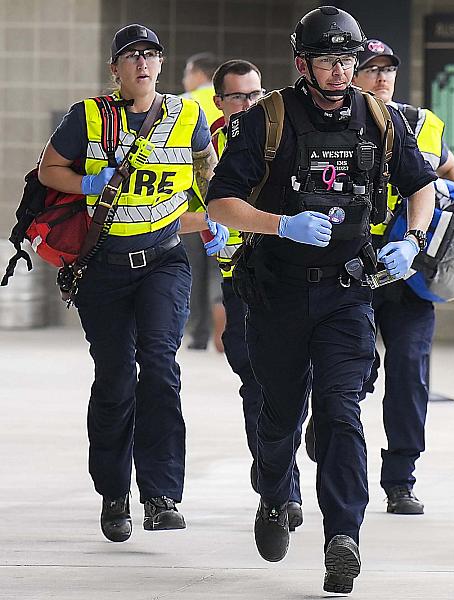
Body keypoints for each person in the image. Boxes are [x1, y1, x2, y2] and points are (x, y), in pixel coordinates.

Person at [206, 7, 436, 594]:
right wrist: (280, 225)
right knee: (280, 417)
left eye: (348, 61)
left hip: (347, 294)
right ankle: (275, 495)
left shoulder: (382, 119)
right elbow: (221, 203)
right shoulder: (267, 119)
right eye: (329, 61)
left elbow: (422, 186)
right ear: (302, 63)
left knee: (340, 412)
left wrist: (410, 239)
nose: (341, 73)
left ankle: (343, 537)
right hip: (279, 292)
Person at [37, 23, 223, 542]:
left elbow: (212, 175)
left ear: (161, 65)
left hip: (164, 261)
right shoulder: (88, 116)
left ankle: (162, 494)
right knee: (116, 379)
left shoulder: (188, 115)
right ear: (114, 68)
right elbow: (49, 170)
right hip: (104, 268)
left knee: (160, 368)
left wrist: (225, 217)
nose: (142, 63)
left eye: (151, 55)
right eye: (131, 56)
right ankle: (114, 490)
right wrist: (88, 182)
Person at [321, 38, 454, 515]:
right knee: (353, 374)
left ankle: (401, 477)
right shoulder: (333, 123)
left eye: (389, 69)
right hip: (353, 271)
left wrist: (448, 216)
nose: (382, 77)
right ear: (352, 75)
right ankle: (326, 435)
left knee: (409, 369)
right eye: (371, 69)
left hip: (407, 275)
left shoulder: (423, 124)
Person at [208, 58, 304, 531]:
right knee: (255, 380)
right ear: (219, 103)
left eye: (255, 94)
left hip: (283, 275)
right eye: (238, 97)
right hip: (238, 280)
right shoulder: (204, 145)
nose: (249, 104)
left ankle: (279, 471)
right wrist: (204, 226)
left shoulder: (278, 134)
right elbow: (185, 198)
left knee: (294, 385)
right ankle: (279, 480)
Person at [181, 52, 224, 350]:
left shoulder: (183, 103)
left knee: (194, 266)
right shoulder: (227, 100)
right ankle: (224, 313)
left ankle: (197, 333)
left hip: (190, 200)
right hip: (227, 197)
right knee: (221, 263)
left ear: (198, 73)